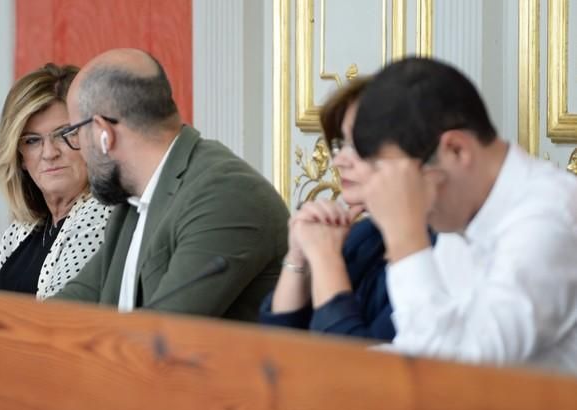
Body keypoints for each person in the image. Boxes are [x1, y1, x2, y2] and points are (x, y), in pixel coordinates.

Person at [352, 57, 577, 374]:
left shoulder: (548, 218)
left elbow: (451, 375)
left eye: (405, 185)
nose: (408, 202)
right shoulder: (462, 221)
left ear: (457, 150)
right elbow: (418, 345)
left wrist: (405, 237)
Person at [51, 49, 289, 321]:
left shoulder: (225, 194)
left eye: (74, 133)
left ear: (103, 132)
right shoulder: (131, 199)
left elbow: (163, 336)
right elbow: (70, 306)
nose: (78, 149)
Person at [258, 77, 395, 340]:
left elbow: (355, 364)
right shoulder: (364, 235)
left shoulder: (440, 248)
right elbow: (277, 343)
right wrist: (298, 257)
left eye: (358, 145)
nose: (339, 161)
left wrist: (324, 257)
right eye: (341, 144)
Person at [0, 63, 113, 299]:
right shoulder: (27, 226)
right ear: (19, 156)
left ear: (91, 138)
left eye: (65, 134)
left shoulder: (100, 214)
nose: (49, 153)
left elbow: (53, 317)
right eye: (32, 141)